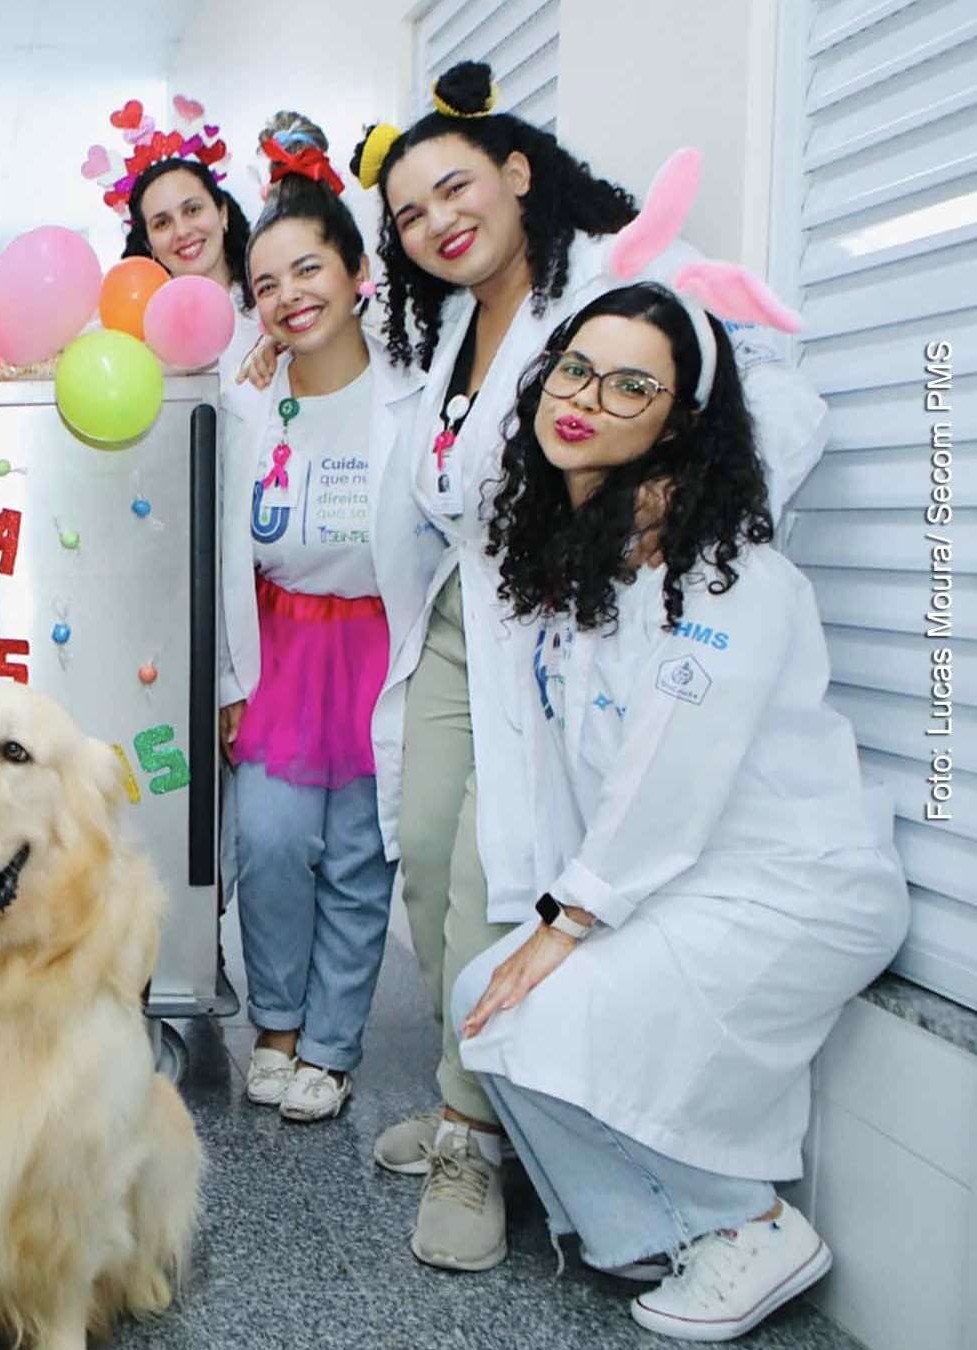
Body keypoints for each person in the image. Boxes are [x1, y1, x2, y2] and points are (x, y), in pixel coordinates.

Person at [352, 60, 828, 1271]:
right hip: (461, 617)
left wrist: (671, 507)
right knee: (420, 851)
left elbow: (762, 399)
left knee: (486, 877)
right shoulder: (454, 327)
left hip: (548, 628)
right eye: (410, 215)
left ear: (517, 174)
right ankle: (493, 1102)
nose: (438, 223)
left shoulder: (616, 283)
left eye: (454, 189)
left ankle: (470, 1135)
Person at [454, 283, 906, 1340]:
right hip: (677, 876)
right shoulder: (579, 556)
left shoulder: (725, 572)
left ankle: (749, 1224)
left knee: (536, 1008)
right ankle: (659, 1236)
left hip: (792, 886)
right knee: (487, 992)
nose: (586, 400)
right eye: (573, 370)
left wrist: (571, 921)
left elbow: (675, 768)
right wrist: (553, 916)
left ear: (680, 420)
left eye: (630, 386)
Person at [217, 115, 444, 1125]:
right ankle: (272, 1022)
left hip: (376, 646)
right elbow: (222, 551)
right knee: (267, 844)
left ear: (357, 273)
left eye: (307, 270)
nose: (288, 297)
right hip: (274, 645)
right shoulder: (245, 407)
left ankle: (332, 1044)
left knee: (359, 857)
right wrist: (230, 676)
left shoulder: (419, 396)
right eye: (266, 284)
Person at [104, 101, 264, 381]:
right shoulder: (136, 333)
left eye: (192, 210)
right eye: (162, 222)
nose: (181, 231)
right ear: (150, 246)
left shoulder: (270, 308)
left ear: (222, 213)